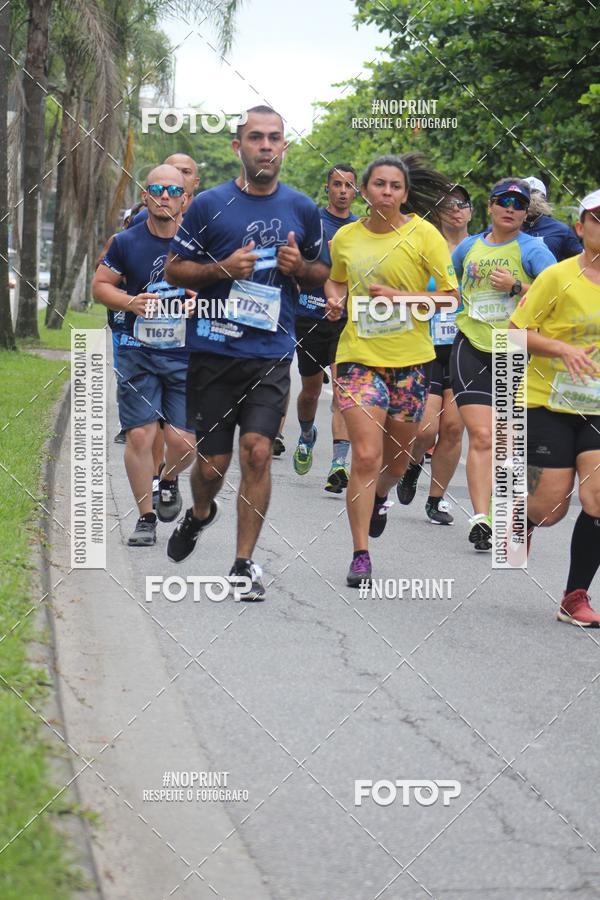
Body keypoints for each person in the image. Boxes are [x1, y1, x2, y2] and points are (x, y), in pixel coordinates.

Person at [164, 105, 330, 600]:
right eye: (255, 137)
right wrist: (220, 270)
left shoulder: (302, 208)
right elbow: (175, 269)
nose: (265, 145)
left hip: (271, 352)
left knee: (257, 452)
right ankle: (199, 515)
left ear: (284, 147)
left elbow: (323, 275)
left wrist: (300, 267)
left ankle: (243, 563)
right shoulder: (208, 205)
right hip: (214, 351)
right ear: (238, 147)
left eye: (274, 138)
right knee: (212, 466)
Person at [325, 154, 459, 587]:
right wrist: (334, 297)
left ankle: (382, 494)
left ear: (404, 193)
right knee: (365, 455)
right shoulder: (346, 238)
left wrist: (401, 299)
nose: (387, 192)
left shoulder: (425, 236)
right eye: (379, 184)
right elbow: (338, 279)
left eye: (395, 186)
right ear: (365, 191)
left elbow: (451, 299)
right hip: (358, 358)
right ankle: (360, 552)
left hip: (410, 362)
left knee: (397, 461)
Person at [509, 189, 600, 626]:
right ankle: (520, 517)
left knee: (597, 497)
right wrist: (562, 348)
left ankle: (574, 596)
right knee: (550, 509)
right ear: (580, 228)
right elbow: (515, 333)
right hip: (548, 402)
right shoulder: (556, 277)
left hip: (598, 409)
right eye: (598, 219)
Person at [450, 178, 556, 551]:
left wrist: (516, 287)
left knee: (507, 441)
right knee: (482, 435)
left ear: (526, 213)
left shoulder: (533, 249)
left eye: (519, 204)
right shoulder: (467, 248)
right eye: (504, 201)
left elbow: (558, 297)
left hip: (512, 347)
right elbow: (452, 287)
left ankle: (502, 514)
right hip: (471, 345)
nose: (511, 208)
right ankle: (481, 519)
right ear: (491, 206)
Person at [92, 165, 195, 546]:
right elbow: (101, 286)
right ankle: (146, 518)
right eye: (156, 189)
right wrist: (130, 301)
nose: (164, 196)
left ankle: (167, 478)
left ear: (185, 198)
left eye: (173, 190)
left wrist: (198, 303)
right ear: (145, 196)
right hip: (136, 351)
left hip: (187, 354)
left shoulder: (200, 244)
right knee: (139, 434)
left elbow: (225, 291)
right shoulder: (126, 242)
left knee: (184, 442)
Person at [397, 184, 471, 523]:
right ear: (438, 212)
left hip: (466, 347)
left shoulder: (481, 249)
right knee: (426, 429)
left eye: (463, 204)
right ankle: (412, 464)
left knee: (453, 428)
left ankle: (436, 499)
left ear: (471, 211)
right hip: (426, 346)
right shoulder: (425, 245)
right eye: (449, 204)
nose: (456, 210)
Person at [293, 164, 358, 492]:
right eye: (337, 184)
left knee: (344, 392)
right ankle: (306, 435)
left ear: (356, 192)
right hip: (308, 316)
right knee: (311, 391)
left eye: (349, 185)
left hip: (345, 322)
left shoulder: (362, 229)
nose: (343, 191)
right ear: (327, 188)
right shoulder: (312, 223)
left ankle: (338, 464)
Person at [128, 153, 201, 228]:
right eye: (173, 170)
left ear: (196, 182)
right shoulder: (142, 219)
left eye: (186, 172)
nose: (179, 176)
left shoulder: (205, 218)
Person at [521, 176, 583, 261]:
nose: (531, 199)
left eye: (535, 193)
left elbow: (582, 261)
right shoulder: (508, 226)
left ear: (543, 199)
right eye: (526, 194)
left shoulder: (561, 230)